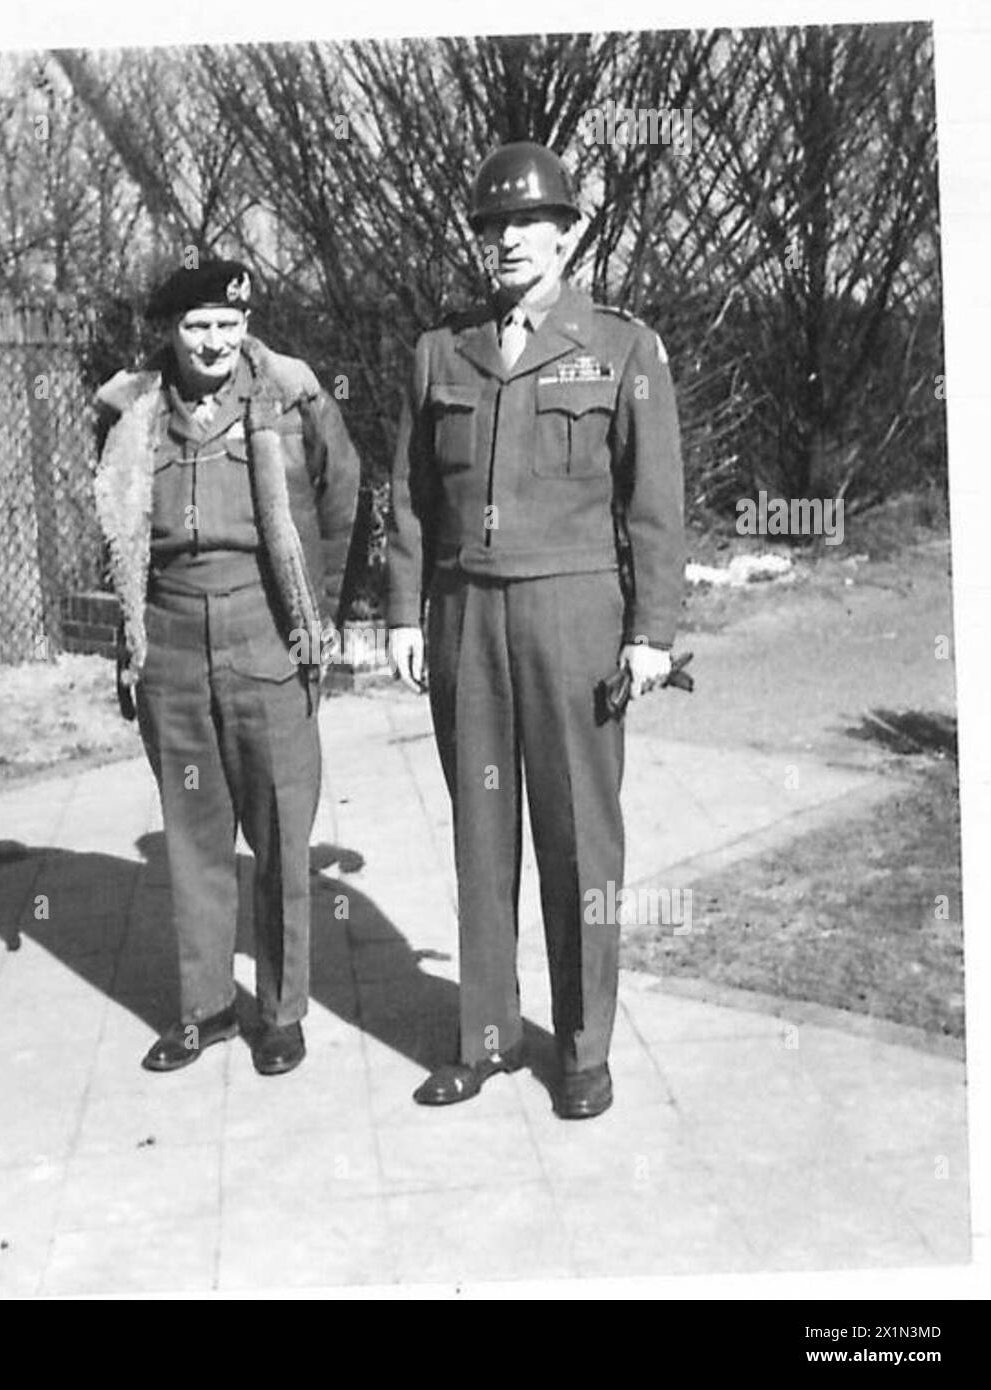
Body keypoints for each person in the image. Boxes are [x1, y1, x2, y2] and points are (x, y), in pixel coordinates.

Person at [386, 143, 686, 1118]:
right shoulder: (443, 350)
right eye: (492, 226)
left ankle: (586, 1048)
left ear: (569, 234)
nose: (509, 240)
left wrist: (653, 632)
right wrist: (401, 610)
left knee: (580, 840)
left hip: (574, 614)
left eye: (528, 224)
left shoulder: (621, 346)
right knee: (480, 836)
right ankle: (486, 1035)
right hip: (467, 614)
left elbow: (655, 504)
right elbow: (409, 494)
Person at [94, 258, 361, 1076]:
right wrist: (132, 644)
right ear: (169, 333)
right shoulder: (133, 415)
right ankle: (204, 1008)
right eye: (197, 326)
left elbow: (342, 487)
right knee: (194, 834)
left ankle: (280, 1014)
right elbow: (115, 520)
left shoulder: (286, 400)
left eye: (229, 324)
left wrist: (323, 609)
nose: (215, 342)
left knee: (281, 831)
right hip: (171, 637)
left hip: (263, 630)